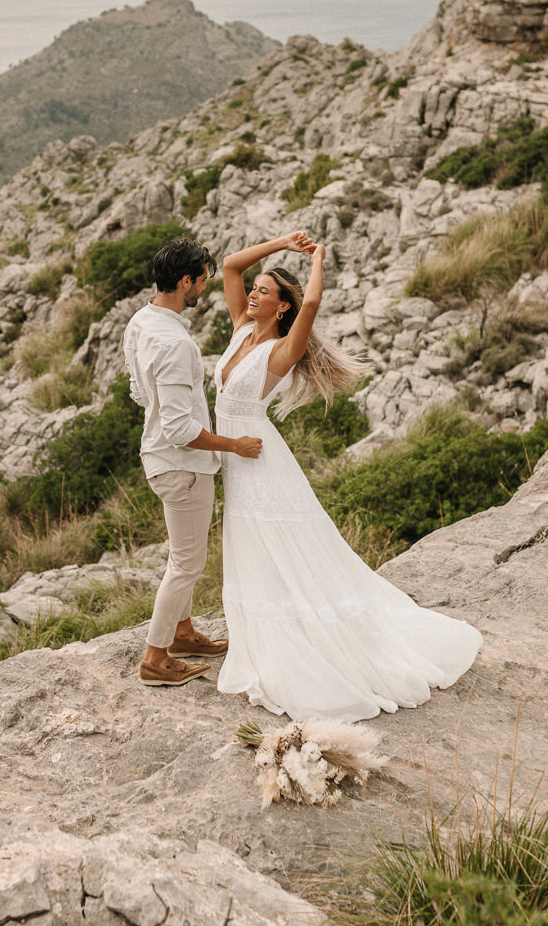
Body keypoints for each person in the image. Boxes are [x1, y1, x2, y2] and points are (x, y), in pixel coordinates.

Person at [212, 230, 482, 722]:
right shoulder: (239, 330)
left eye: (265, 292)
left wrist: (316, 259)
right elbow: (230, 265)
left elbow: (312, 301)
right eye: (256, 290)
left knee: (277, 544)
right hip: (236, 454)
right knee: (249, 544)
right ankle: (264, 635)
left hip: (258, 457)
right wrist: (279, 245)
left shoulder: (280, 351)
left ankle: (302, 639)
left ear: (284, 308)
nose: (252, 294)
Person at [123, 236, 264, 687]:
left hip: (159, 459)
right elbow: (180, 430)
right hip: (182, 467)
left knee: (180, 556)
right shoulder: (177, 345)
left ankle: (182, 634)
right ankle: (155, 658)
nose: (205, 286)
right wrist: (234, 445)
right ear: (186, 281)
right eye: (202, 279)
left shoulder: (141, 322)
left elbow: (139, 393)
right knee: (186, 564)